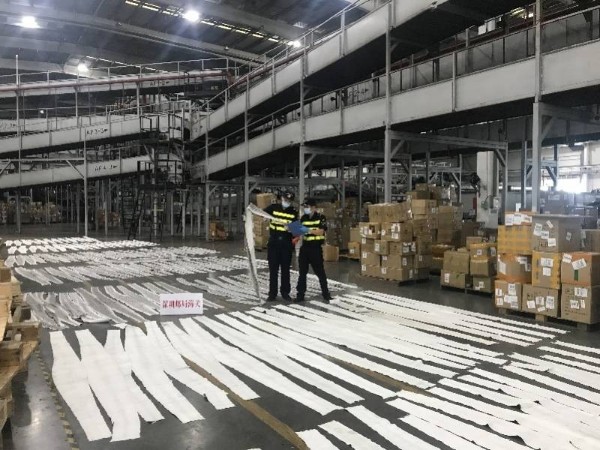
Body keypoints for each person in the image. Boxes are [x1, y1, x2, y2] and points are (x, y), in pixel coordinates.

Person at [295, 198, 333, 303]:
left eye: (307, 207)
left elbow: (321, 232)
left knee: (320, 272)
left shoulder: (321, 217)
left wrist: (308, 230)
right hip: (305, 248)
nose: (305, 209)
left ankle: (326, 294)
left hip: (315, 249)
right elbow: (299, 231)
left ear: (313, 207)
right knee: (302, 273)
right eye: (304, 207)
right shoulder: (304, 218)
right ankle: (300, 295)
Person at [264, 192, 298, 302]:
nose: (286, 202)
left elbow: (297, 230)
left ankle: (285, 293)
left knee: (285, 270)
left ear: (291, 202)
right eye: (285, 200)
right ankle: (272, 294)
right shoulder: (273, 208)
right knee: (273, 270)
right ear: (281, 199)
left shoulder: (293, 212)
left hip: (286, 244)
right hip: (274, 243)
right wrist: (263, 217)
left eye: (289, 201)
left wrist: (290, 228)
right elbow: (262, 213)